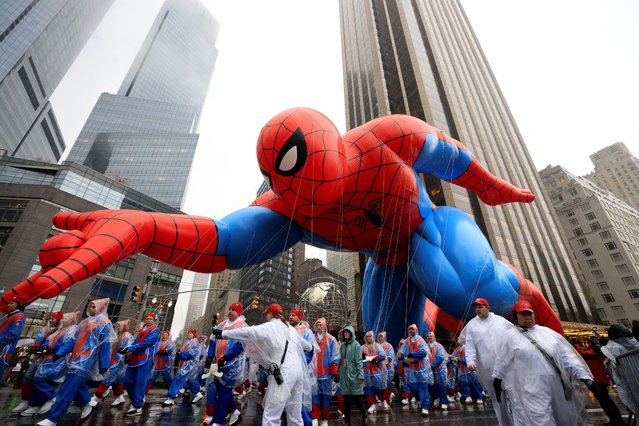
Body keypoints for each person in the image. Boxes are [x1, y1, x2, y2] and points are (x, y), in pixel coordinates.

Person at [7, 108, 565, 348]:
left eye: (301, 168)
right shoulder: (287, 208)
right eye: (284, 178)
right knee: (389, 341)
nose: (300, 189)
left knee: (457, 285)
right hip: (387, 262)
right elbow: (219, 242)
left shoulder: (384, 138)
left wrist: (495, 189)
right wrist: (143, 227)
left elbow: (451, 155)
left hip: (427, 230)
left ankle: (550, 327)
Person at [492, 300, 593, 426]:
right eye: (523, 314)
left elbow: (567, 356)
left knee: (563, 417)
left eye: (530, 314)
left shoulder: (548, 333)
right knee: (540, 418)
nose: (528, 317)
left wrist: (584, 375)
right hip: (530, 387)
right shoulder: (509, 336)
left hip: (557, 385)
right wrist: (497, 378)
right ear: (515, 316)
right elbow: (502, 359)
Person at [212, 303, 313, 426]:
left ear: (271, 314)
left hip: (283, 373)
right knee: (295, 417)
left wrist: (223, 334)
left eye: (267, 314)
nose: (267, 317)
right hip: (298, 373)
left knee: (271, 416)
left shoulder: (269, 326)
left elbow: (247, 332)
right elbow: (309, 347)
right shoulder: (291, 329)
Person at [37, 298, 114, 426]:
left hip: (86, 359)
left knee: (67, 388)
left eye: (94, 306)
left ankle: (53, 418)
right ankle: (89, 403)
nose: (90, 308)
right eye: (90, 306)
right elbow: (72, 340)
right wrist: (60, 353)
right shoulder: (84, 322)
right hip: (75, 358)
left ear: (101, 308)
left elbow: (105, 344)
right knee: (77, 384)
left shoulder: (104, 323)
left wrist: (104, 365)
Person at [458, 297, 513, 424]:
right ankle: (504, 422)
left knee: (512, 395)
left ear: (488, 307)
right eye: (476, 307)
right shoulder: (472, 325)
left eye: (480, 306)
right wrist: (470, 361)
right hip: (487, 368)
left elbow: (514, 335)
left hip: (506, 366)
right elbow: (470, 345)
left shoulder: (500, 321)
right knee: (497, 398)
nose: (478, 309)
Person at [20, 311, 79, 417]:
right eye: (63, 318)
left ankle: (47, 399)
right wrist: (43, 348)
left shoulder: (72, 330)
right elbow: (48, 340)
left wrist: (55, 351)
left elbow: (67, 344)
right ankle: (33, 402)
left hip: (57, 358)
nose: (63, 320)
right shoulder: (60, 329)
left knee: (41, 379)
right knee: (35, 378)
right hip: (47, 357)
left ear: (72, 320)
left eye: (66, 318)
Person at [204, 302, 247, 426]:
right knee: (217, 389)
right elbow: (213, 341)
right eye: (230, 309)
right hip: (218, 363)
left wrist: (226, 357)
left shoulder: (243, 326)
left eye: (234, 310)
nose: (230, 311)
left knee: (223, 392)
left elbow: (241, 345)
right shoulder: (222, 324)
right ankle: (234, 411)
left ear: (239, 312)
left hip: (232, 365)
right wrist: (210, 357)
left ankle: (217, 421)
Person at [13, 310, 63, 414]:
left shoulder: (61, 331)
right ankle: (26, 401)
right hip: (39, 357)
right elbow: (39, 338)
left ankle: (41, 401)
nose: (51, 320)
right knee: (28, 377)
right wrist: (36, 347)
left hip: (50, 359)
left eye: (53, 318)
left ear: (59, 320)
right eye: (50, 318)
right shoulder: (46, 328)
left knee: (39, 380)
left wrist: (50, 349)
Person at [573, 338, 624, 425]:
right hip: (598, 380)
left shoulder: (594, 351)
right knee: (605, 402)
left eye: (589, 343)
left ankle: (617, 421)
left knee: (606, 402)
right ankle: (615, 420)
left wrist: (576, 344)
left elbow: (582, 353)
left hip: (599, 380)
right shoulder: (594, 351)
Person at [119, 312, 160, 416]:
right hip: (135, 358)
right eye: (147, 318)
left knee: (139, 382)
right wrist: (127, 350)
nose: (149, 320)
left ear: (154, 320)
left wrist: (130, 348)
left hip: (146, 359)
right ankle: (137, 402)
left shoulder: (155, 330)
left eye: (151, 319)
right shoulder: (142, 330)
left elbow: (147, 343)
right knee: (127, 381)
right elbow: (135, 342)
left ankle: (137, 407)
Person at [90, 319, 133, 407]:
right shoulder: (120, 336)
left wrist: (127, 355)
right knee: (117, 381)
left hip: (119, 361)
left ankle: (96, 396)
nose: (118, 327)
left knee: (108, 378)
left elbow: (130, 347)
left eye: (120, 326)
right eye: (117, 326)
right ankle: (120, 397)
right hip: (115, 360)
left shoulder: (127, 335)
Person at [601, 323, 639, 418]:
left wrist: (597, 340)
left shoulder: (614, 349)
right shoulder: (634, 344)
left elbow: (605, 349)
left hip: (633, 389)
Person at [289, 308, 317, 426]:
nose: (290, 317)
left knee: (302, 403)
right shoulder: (287, 330)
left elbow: (310, 350)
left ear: (299, 318)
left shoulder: (306, 331)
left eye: (293, 315)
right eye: (289, 315)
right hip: (289, 372)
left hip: (302, 373)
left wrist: (298, 363)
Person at [397, 324, 432, 416]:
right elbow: (401, 353)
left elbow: (424, 353)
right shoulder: (406, 341)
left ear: (416, 330)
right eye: (410, 330)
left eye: (413, 330)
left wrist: (412, 355)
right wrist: (401, 358)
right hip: (411, 370)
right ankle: (419, 399)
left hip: (421, 368)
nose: (411, 331)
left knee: (423, 387)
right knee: (412, 387)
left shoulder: (421, 340)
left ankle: (425, 407)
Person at [164, 328, 203, 406]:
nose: (189, 334)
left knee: (178, 379)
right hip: (188, 365)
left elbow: (191, 354)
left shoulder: (194, 342)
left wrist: (180, 354)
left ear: (194, 335)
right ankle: (198, 394)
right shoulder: (188, 342)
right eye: (188, 333)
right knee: (190, 380)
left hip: (188, 366)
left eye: (191, 333)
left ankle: (171, 398)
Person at [338, 325, 368, 426]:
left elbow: (359, 361)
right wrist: (338, 372)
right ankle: (347, 421)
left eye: (348, 332)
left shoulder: (356, 345)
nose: (346, 334)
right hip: (344, 376)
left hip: (354, 375)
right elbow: (341, 360)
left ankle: (364, 414)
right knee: (346, 399)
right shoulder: (342, 345)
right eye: (344, 332)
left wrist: (360, 375)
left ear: (351, 333)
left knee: (356, 398)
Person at [312, 317, 339, 425]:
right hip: (313, 374)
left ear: (325, 326)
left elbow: (335, 356)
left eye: (320, 325)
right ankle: (314, 417)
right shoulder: (311, 338)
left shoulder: (331, 339)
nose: (318, 327)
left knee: (325, 397)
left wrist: (334, 371)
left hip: (325, 374)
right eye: (317, 325)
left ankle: (324, 419)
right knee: (313, 396)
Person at [0, 295, 26, 383]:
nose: (8, 305)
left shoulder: (19, 316)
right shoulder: (13, 315)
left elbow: (13, 334)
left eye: (11, 303)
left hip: (3, 351)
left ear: (19, 304)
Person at [361, 330, 386, 414]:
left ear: (373, 337)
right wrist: (362, 357)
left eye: (370, 336)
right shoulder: (362, 347)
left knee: (379, 389)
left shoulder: (378, 346)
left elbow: (383, 356)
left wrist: (376, 359)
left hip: (377, 372)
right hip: (367, 373)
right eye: (367, 337)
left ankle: (383, 400)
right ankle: (372, 404)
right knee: (369, 389)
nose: (368, 338)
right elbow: (359, 357)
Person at [453, 338, 483, 404]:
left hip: (470, 369)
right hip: (462, 370)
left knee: (474, 383)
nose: (459, 341)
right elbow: (453, 356)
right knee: (464, 384)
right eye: (458, 340)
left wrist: (460, 360)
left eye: (460, 340)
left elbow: (469, 358)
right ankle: (467, 397)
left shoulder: (467, 348)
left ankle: (479, 397)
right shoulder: (457, 350)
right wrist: (452, 358)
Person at [426, 331, 448, 409]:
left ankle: (444, 402)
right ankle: (436, 398)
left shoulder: (439, 346)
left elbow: (440, 357)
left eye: (431, 336)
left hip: (439, 370)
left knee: (441, 386)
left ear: (434, 337)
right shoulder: (425, 346)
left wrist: (432, 366)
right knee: (430, 385)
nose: (429, 337)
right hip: (429, 370)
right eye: (428, 336)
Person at [377, 331, 395, 405]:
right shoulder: (377, 345)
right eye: (379, 337)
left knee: (386, 385)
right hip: (379, 369)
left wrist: (383, 361)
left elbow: (390, 357)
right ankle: (384, 398)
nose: (380, 338)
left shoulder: (389, 346)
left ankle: (387, 400)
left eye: (381, 336)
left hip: (387, 369)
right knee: (380, 385)